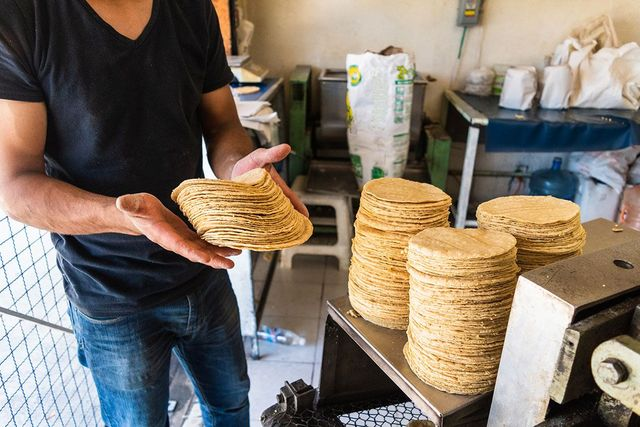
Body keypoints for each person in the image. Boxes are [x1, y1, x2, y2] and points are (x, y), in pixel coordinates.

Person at [0, 0, 307, 425]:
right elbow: (17, 185)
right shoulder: (23, 17)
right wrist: (121, 215)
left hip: (204, 269)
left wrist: (239, 171)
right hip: (109, 292)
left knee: (231, 402)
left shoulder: (192, 9)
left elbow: (221, 126)